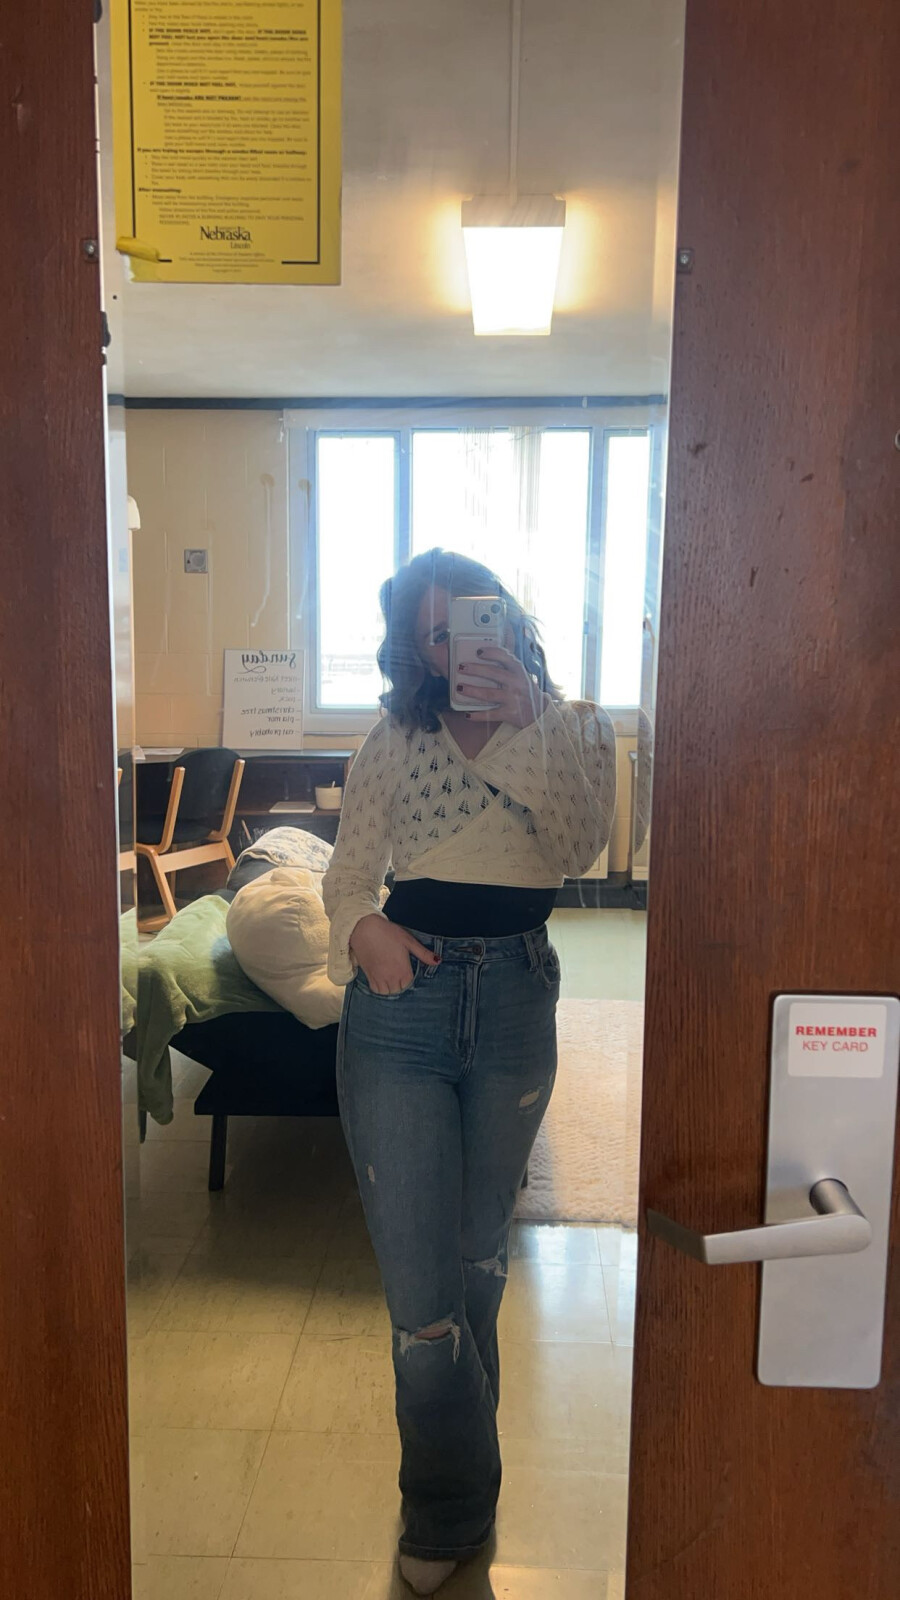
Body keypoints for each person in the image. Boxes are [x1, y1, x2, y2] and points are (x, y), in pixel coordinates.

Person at [322, 547, 616, 1595]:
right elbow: (348, 876)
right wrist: (363, 930)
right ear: (416, 648)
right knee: (424, 1295)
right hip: (403, 1008)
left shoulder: (580, 727)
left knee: (478, 1259)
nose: (457, 650)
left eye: (472, 624)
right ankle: (448, 1506)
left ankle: (458, 1484)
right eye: (435, 634)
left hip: (517, 1006)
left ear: (511, 621)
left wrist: (532, 721)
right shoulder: (394, 739)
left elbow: (580, 849)